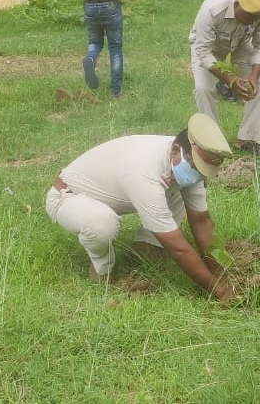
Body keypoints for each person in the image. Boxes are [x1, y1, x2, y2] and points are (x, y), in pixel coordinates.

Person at [45, 113, 236, 302]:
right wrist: (217, 290)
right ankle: (101, 268)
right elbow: (178, 248)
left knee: (180, 187)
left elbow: (201, 221)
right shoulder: (144, 170)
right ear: (175, 150)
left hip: (117, 193)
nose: (197, 176)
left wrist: (220, 273)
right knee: (101, 224)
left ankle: (144, 250)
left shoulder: (187, 159)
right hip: (69, 197)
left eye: (203, 172)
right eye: (195, 168)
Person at [189, 0, 260, 152]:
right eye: (248, 17)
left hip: (242, 43)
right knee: (202, 88)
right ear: (236, 5)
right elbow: (203, 52)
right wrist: (230, 80)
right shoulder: (212, 9)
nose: (252, 21)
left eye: (255, 18)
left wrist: (253, 78)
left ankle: (247, 139)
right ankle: (212, 141)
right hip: (209, 46)